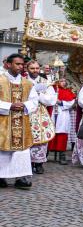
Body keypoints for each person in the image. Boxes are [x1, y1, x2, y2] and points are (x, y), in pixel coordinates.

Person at [0, 54, 39, 190]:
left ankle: (22, 178)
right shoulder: (0, 80)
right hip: (3, 122)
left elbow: (34, 101)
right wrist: (8, 106)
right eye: (17, 64)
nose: (21, 67)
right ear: (8, 64)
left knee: (21, 152)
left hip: (21, 121)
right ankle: (1, 177)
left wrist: (25, 105)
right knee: (2, 151)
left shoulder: (28, 83)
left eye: (22, 64)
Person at [27, 60, 56, 175]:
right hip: (26, 112)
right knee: (28, 137)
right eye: (32, 68)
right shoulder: (23, 81)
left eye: (37, 68)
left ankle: (39, 164)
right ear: (27, 69)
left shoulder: (45, 82)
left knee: (42, 137)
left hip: (40, 112)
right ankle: (27, 164)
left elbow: (52, 100)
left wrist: (39, 95)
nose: (35, 70)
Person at [48, 78, 77, 165]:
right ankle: (46, 154)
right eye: (61, 81)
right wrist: (53, 99)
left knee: (62, 134)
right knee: (49, 132)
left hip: (63, 114)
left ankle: (62, 155)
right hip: (52, 112)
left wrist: (61, 102)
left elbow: (71, 103)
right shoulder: (51, 89)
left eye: (64, 81)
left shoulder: (68, 91)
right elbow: (46, 99)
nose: (63, 83)